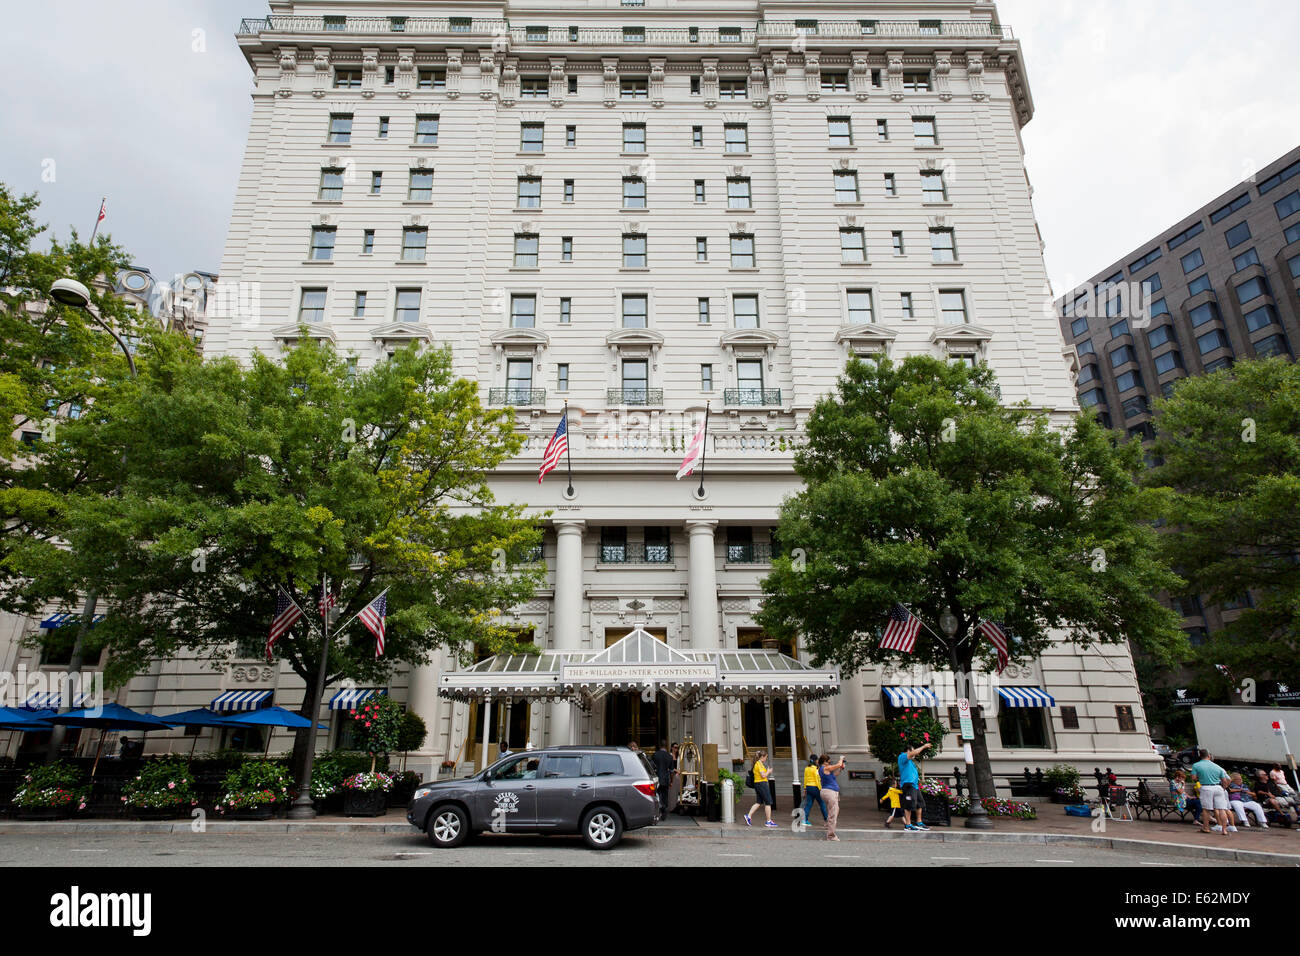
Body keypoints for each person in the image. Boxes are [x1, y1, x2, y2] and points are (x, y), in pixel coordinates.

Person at [1191, 749, 1234, 835]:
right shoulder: (1217, 766)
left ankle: (1206, 827)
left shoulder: (1196, 765)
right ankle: (1224, 830)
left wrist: (1200, 777)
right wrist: (1224, 788)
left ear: (1200, 755)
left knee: (1206, 809)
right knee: (1222, 809)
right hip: (1218, 787)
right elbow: (1225, 780)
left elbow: (1193, 778)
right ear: (1209, 756)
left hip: (1206, 787)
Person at [898, 741, 932, 831]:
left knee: (919, 804)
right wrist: (924, 746)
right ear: (908, 751)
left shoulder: (910, 762)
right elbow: (914, 752)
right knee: (908, 805)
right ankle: (908, 825)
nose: (915, 754)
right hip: (908, 785)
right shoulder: (902, 757)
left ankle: (919, 823)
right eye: (912, 751)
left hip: (914, 786)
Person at [743, 750, 777, 828]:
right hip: (762, 784)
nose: (766, 758)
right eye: (766, 757)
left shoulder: (756, 763)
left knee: (759, 802)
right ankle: (768, 821)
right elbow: (763, 775)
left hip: (757, 784)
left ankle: (748, 816)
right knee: (768, 802)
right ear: (762, 757)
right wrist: (768, 771)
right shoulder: (759, 764)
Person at [818, 753, 845, 841]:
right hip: (830, 792)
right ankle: (831, 836)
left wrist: (840, 769)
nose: (829, 763)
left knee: (834, 811)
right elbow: (837, 765)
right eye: (829, 762)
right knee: (833, 813)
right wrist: (841, 759)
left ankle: (829, 825)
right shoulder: (825, 768)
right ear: (825, 762)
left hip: (829, 792)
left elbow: (834, 775)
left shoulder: (825, 770)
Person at [801, 754, 828, 829]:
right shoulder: (816, 769)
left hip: (808, 787)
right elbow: (817, 779)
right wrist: (820, 788)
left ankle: (804, 820)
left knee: (808, 804)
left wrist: (805, 789)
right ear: (816, 760)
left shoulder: (807, 768)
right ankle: (826, 820)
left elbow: (805, 779)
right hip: (816, 788)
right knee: (822, 804)